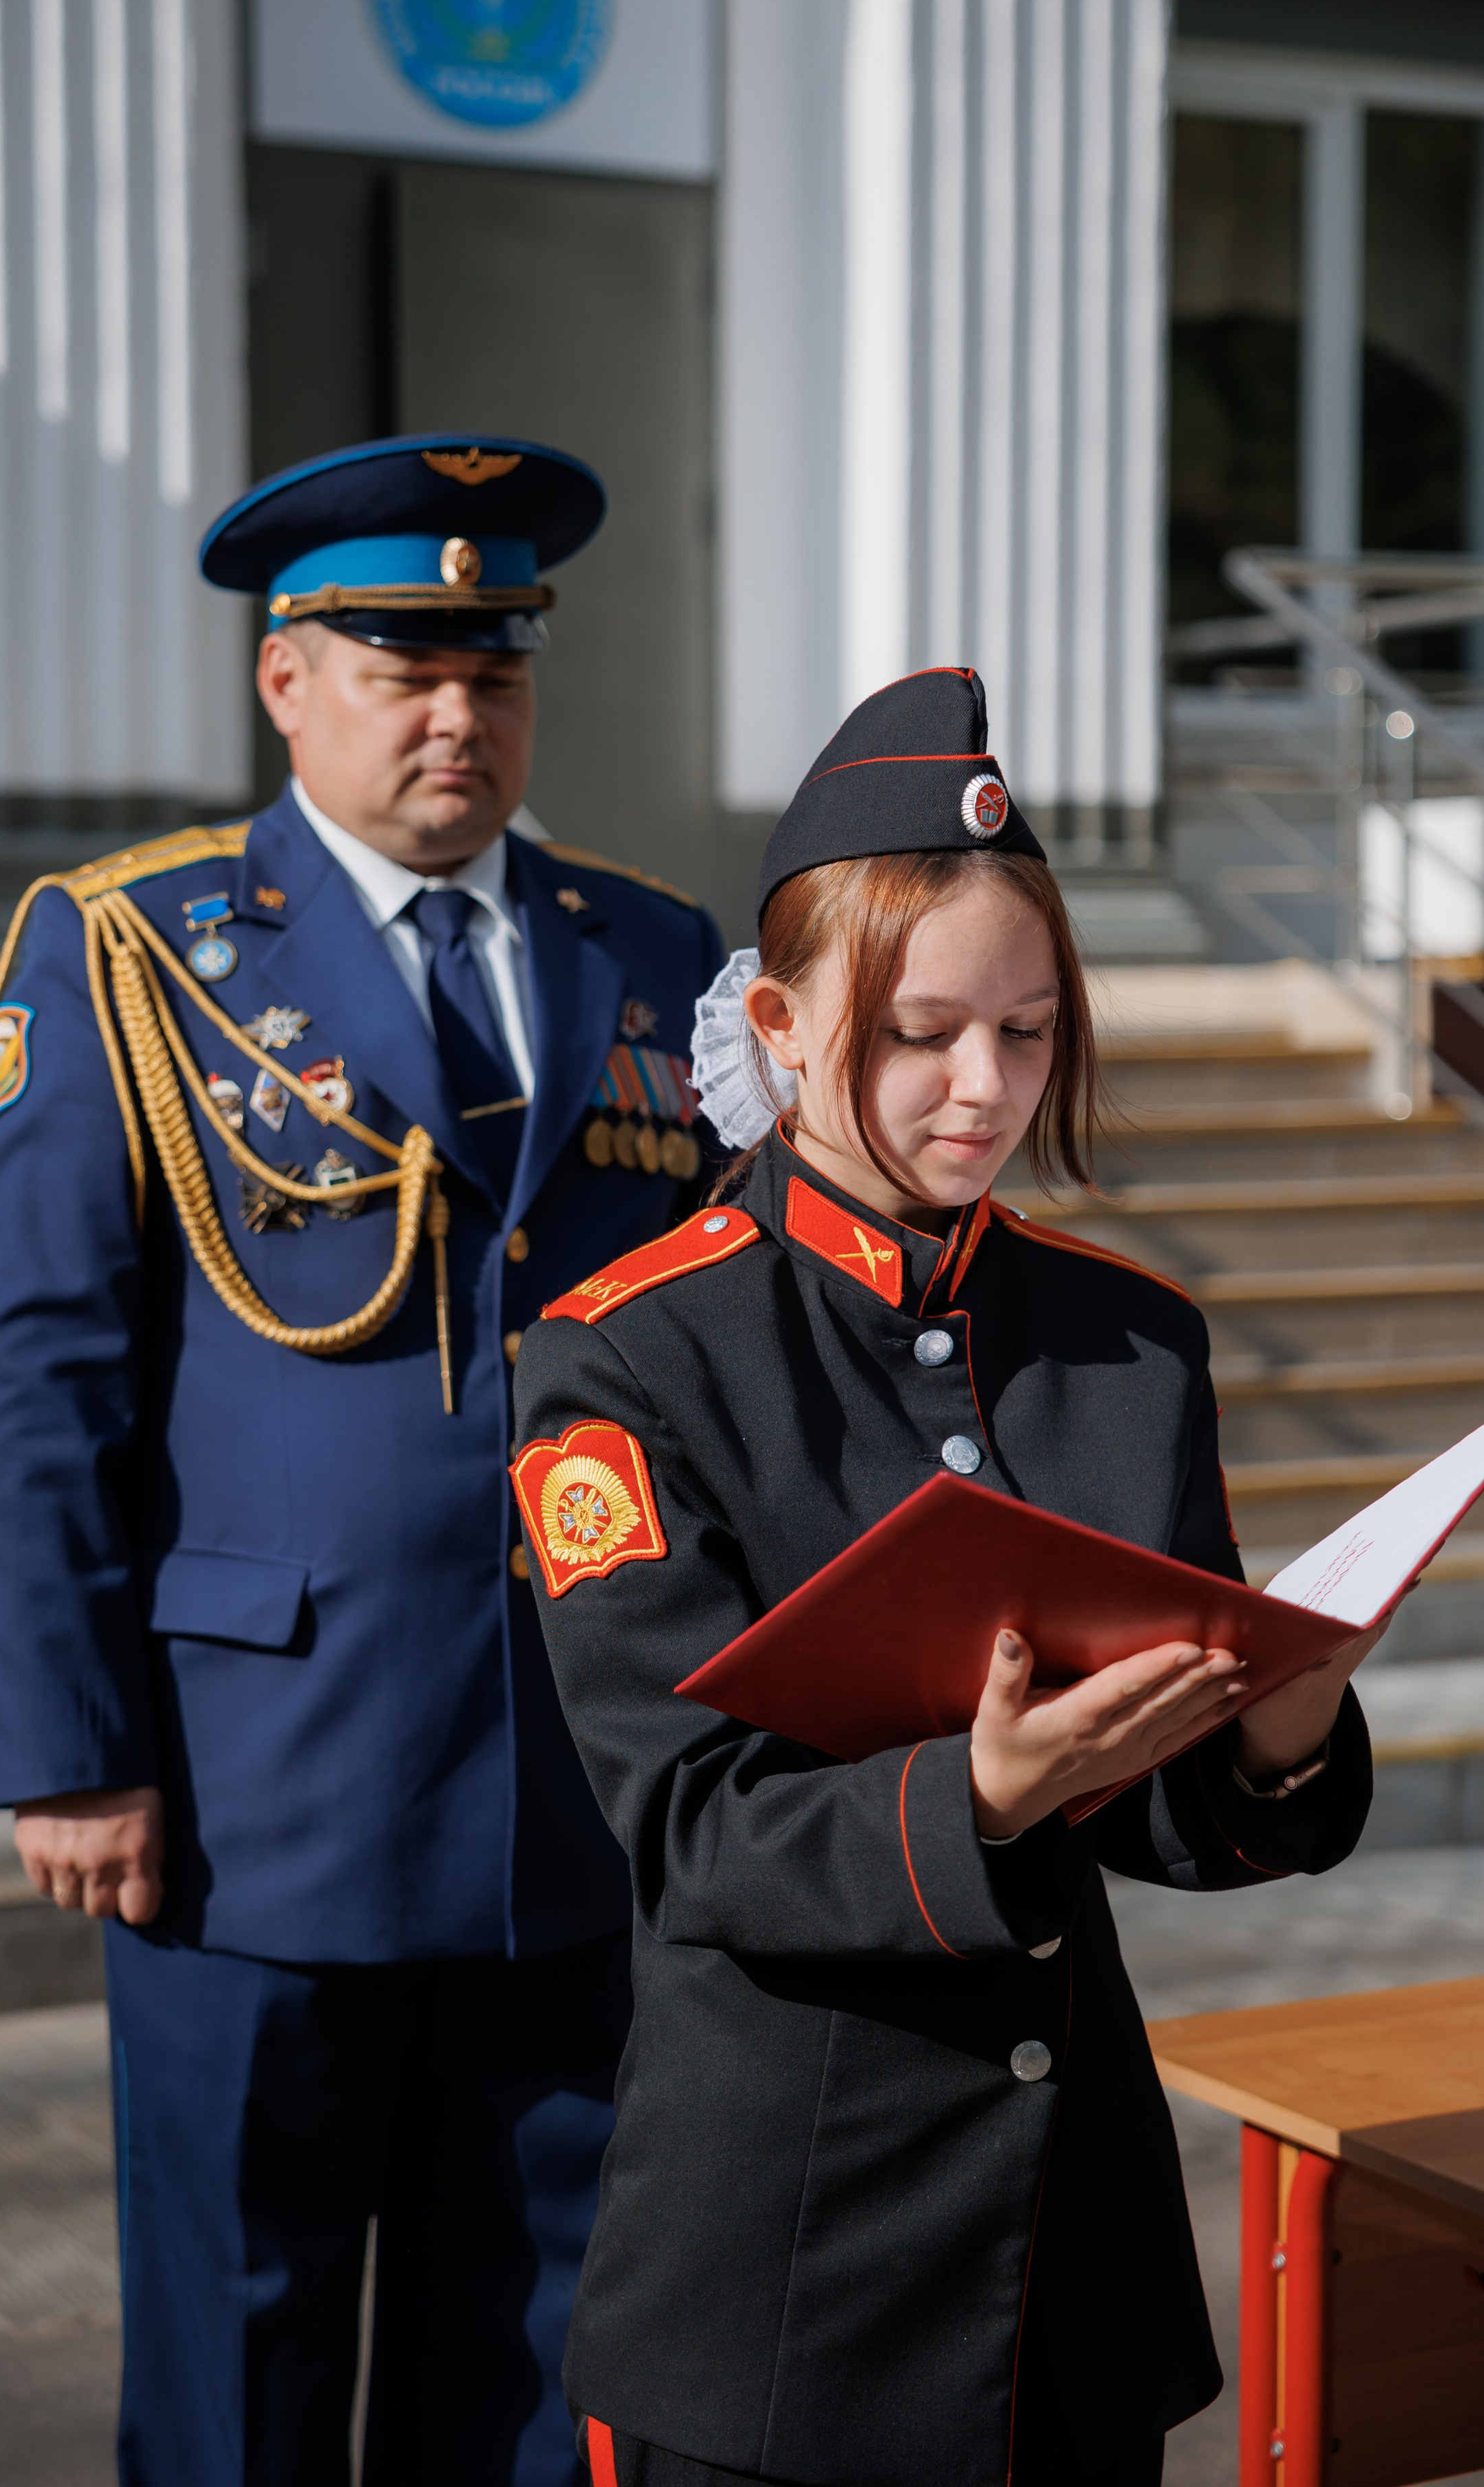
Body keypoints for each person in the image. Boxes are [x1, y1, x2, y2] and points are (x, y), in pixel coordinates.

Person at [0, 434, 726, 2487]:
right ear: (287, 680)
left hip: (575, 1785)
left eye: (498, 669)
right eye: (404, 666)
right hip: (246, 1798)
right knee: (239, 2361)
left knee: (546, 2364)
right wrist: (66, 1743)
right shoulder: (135, 950)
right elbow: (32, 1379)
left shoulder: (651, 955)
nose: (461, 715)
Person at [509, 666, 1386, 2487]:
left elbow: (1163, 1818)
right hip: (784, 2282)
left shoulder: (1124, 1339)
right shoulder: (629, 1358)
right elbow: (688, 1829)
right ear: (778, 1012)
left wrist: (1274, 1737)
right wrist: (974, 1795)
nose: (981, 1087)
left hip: (1071, 2275)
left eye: (1031, 1028)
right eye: (918, 1032)